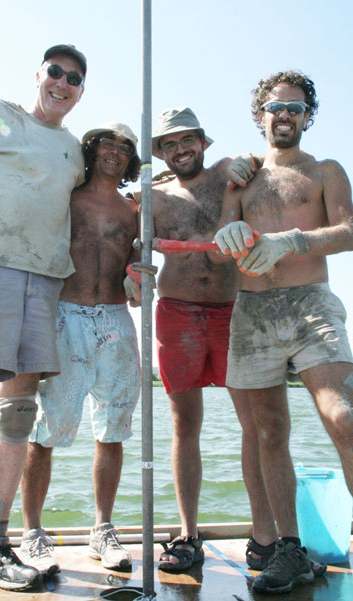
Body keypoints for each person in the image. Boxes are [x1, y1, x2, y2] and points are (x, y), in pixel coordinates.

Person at [213, 70, 353, 594]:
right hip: (252, 310)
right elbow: (221, 229)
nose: (285, 115)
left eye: (295, 107)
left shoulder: (326, 170)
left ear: (308, 116)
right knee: (269, 432)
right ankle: (289, 551)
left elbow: (350, 231)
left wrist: (290, 240)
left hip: (311, 304)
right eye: (276, 107)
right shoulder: (240, 176)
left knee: (343, 414)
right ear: (260, 116)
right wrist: (226, 230)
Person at [0, 43, 86, 591]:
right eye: (54, 71)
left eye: (74, 78)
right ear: (38, 74)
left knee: (18, 415)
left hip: (45, 281)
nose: (62, 82)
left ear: (81, 91)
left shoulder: (75, 151)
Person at [127, 107, 280, 574]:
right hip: (176, 312)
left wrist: (249, 163)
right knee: (183, 425)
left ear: (203, 142)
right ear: (161, 153)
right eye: (169, 144)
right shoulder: (154, 197)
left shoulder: (229, 174)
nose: (179, 149)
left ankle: (265, 536)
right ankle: (188, 532)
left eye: (187, 139)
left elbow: (266, 161)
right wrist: (133, 268)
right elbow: (135, 246)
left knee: (254, 424)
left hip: (235, 310)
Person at [19, 122, 141, 576]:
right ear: (91, 150)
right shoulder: (66, 195)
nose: (115, 150)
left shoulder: (134, 211)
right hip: (64, 315)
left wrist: (138, 277)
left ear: (130, 158)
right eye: (106, 143)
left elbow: (136, 268)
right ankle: (32, 532)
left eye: (124, 146)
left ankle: (102, 529)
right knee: (45, 428)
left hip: (115, 320)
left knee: (112, 429)